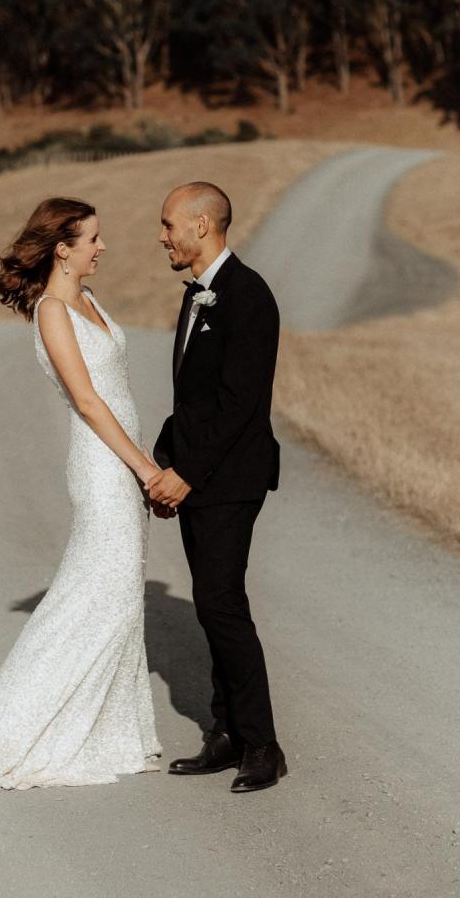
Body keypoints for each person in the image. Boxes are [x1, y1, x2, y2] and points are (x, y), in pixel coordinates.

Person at [0, 197, 161, 790]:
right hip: (102, 463)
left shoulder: (89, 300)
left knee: (116, 595)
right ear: (62, 248)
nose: (103, 248)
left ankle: (109, 728)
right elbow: (90, 402)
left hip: (122, 457)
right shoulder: (52, 311)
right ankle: (19, 731)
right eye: (92, 239)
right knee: (101, 594)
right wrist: (145, 469)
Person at [148, 181, 286, 794]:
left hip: (230, 479)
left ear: (202, 226)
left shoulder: (248, 296)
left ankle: (262, 744)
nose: (162, 235)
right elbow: (195, 399)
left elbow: (239, 406)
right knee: (210, 604)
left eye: (168, 223)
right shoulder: (198, 295)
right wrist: (163, 455)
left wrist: (186, 473)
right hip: (200, 474)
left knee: (222, 604)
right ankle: (225, 733)